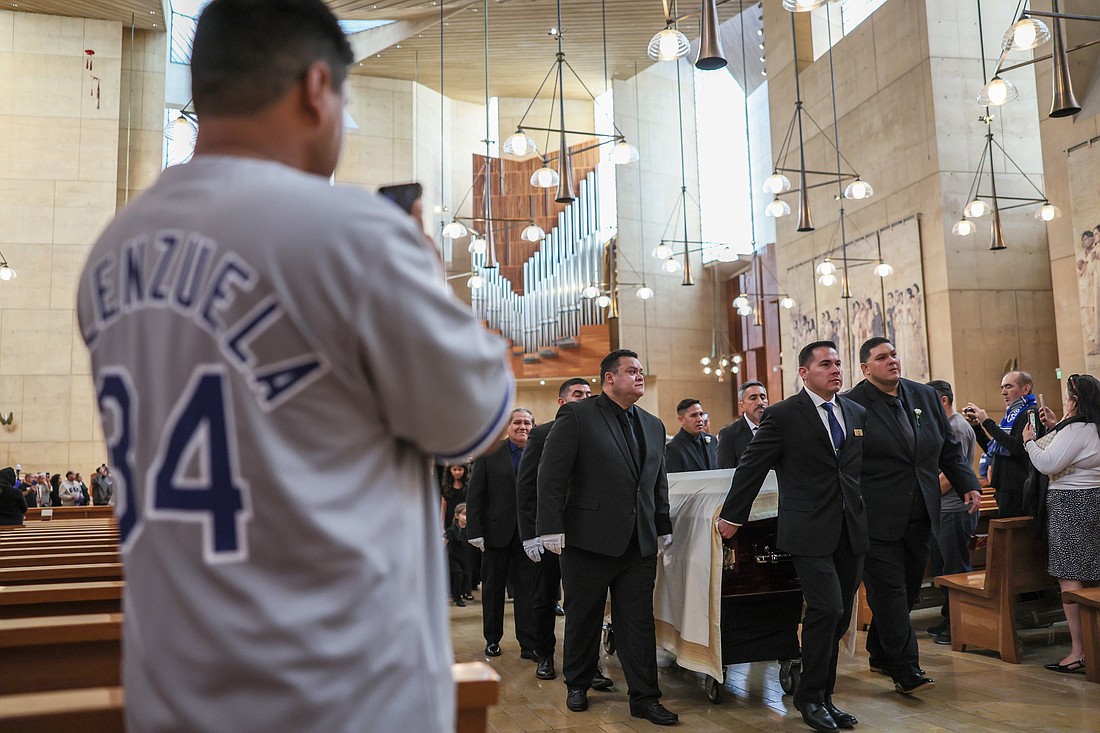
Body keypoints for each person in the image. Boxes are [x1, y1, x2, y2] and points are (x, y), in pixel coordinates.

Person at [74, 2, 515, 730]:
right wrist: (427, 281)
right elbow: (476, 421)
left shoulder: (110, 251)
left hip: (175, 688)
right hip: (337, 691)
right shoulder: (355, 234)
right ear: (318, 88)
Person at [718, 341, 867, 733]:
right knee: (827, 608)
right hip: (807, 529)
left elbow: (855, 474)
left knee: (838, 619)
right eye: (825, 364)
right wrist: (734, 515)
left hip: (851, 530)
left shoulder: (855, 411)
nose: (835, 369)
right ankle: (809, 698)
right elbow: (752, 466)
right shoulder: (783, 414)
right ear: (804, 372)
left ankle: (825, 697)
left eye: (838, 363)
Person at [537, 349, 678, 726]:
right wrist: (550, 527)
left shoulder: (652, 424)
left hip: (638, 542)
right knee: (584, 615)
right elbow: (551, 476)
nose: (639, 376)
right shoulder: (578, 415)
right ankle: (578, 683)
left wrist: (662, 526)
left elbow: (656, 483)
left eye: (641, 371)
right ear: (609, 378)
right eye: (631, 371)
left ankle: (645, 697)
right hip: (588, 539)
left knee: (638, 622)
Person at [846, 338, 981, 697]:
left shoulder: (922, 396)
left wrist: (967, 482)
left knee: (906, 592)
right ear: (865, 368)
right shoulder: (851, 405)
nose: (892, 361)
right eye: (881, 357)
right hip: (876, 515)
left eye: (893, 354)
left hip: (921, 510)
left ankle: (879, 650)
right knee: (888, 593)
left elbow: (948, 448)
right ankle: (906, 669)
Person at [516, 377, 610, 685]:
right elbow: (528, 487)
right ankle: (544, 653)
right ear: (561, 401)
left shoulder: (597, 431)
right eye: (577, 394)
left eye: (587, 393)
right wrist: (531, 533)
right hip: (548, 532)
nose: (584, 398)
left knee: (584, 603)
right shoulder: (542, 433)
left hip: (584, 533)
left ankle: (588, 665)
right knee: (545, 596)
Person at [1023, 373, 1100, 674]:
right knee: (1092, 575)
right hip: (1093, 500)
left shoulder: (1078, 427)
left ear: (1075, 400)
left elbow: (1047, 464)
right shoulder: (1093, 427)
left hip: (1071, 505)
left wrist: (1030, 442)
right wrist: (1057, 428)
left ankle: (1080, 651)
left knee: (1069, 576)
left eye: (1068, 396)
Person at [466, 407, 539, 660]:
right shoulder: (490, 452)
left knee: (527, 592)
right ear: (507, 427)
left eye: (527, 423)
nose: (523, 427)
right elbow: (475, 494)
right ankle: (492, 639)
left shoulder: (540, 452)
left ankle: (528, 643)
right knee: (493, 591)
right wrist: (475, 530)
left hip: (529, 535)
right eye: (517, 422)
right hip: (495, 533)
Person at [925, 379, 979, 645]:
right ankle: (949, 618)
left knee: (955, 568)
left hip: (954, 509)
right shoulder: (948, 425)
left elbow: (948, 477)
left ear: (943, 401)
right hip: (945, 509)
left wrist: (923, 493)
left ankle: (959, 624)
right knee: (945, 567)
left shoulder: (956, 427)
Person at [965, 371, 1041, 518]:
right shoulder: (1011, 415)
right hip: (1004, 487)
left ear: (1026, 389)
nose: (1003, 392)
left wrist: (987, 422)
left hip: (1019, 488)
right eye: (1002, 387)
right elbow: (993, 451)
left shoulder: (1031, 413)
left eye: (1008, 387)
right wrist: (976, 426)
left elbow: (1018, 448)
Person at [717, 380, 768, 468]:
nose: (760, 402)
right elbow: (725, 471)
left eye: (763, 397)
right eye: (753, 398)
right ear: (742, 406)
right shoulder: (729, 434)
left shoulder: (776, 429)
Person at [663, 398, 718, 473]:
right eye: (694, 415)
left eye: (701, 414)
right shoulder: (673, 448)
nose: (700, 419)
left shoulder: (712, 440)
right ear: (681, 419)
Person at [444, 502, 472, 607]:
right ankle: (457, 598)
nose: (466, 517)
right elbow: (444, 542)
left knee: (464, 575)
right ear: (456, 516)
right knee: (457, 574)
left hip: (464, 557)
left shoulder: (470, 530)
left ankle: (462, 593)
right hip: (452, 557)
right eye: (464, 514)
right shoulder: (451, 530)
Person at [441, 463, 469, 528]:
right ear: (450, 470)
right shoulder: (446, 487)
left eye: (460, 470)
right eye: (454, 469)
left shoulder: (468, 486)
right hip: (449, 520)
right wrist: (441, 525)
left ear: (464, 470)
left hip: (464, 520)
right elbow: (443, 508)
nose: (457, 472)